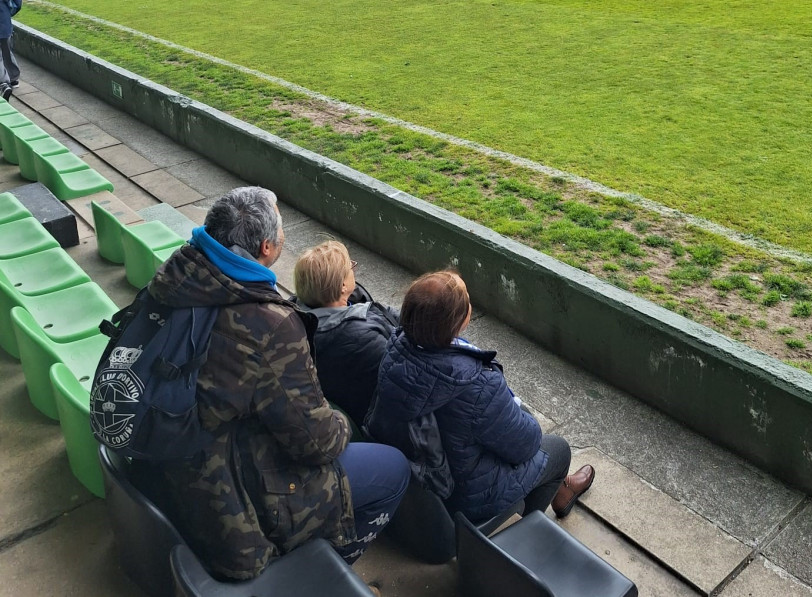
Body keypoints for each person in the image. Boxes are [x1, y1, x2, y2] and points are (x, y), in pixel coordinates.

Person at [140, 187, 409, 580]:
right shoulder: (269, 324)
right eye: (282, 229)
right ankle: (323, 574)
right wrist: (344, 423)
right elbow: (318, 443)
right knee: (393, 467)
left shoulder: (174, 279)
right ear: (267, 247)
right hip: (231, 504)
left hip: (177, 467)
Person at [365, 270, 594, 525]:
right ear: (461, 320)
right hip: (466, 497)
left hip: (428, 476)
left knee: (509, 420)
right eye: (467, 302)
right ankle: (530, 529)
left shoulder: (393, 348)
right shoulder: (478, 383)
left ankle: (560, 489)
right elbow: (527, 446)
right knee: (557, 448)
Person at [293, 240, 397, 429]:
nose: (353, 270)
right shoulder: (366, 339)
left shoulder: (292, 320)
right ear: (342, 285)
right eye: (350, 267)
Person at [0, 0, 22, 101]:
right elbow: (17, 0)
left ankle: (4, 83)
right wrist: (9, 14)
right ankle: (14, 79)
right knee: (7, 50)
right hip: (5, 24)